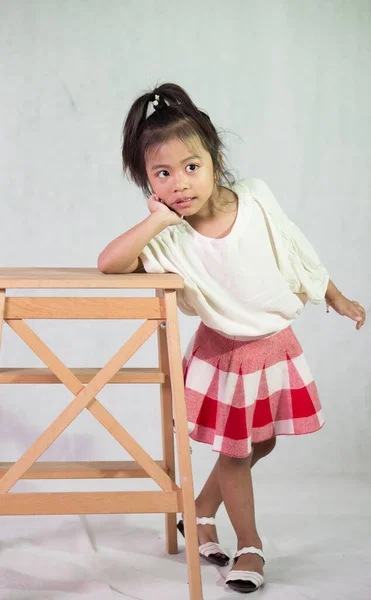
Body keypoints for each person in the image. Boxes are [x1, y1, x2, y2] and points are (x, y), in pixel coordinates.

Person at [97, 83, 366, 594]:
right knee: (238, 454)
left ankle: (199, 509)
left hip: (275, 348)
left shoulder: (257, 198)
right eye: (163, 173)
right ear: (148, 183)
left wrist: (335, 296)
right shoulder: (170, 236)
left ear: (215, 158)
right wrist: (155, 219)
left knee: (260, 444)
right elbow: (109, 264)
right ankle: (250, 545)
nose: (181, 182)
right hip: (225, 357)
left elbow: (296, 248)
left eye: (191, 166)